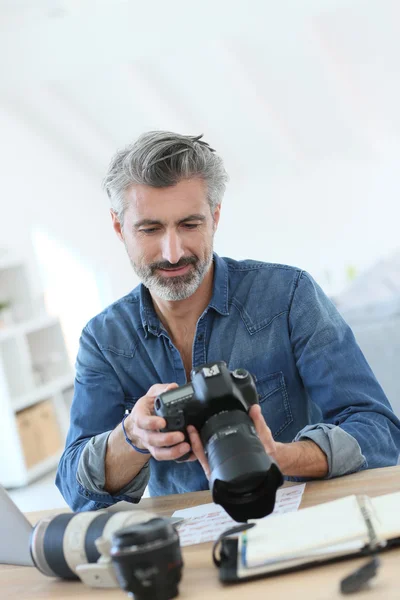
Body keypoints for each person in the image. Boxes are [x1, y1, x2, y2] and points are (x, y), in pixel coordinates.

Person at [56, 131, 400, 511]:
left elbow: (379, 432)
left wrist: (281, 457)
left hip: (299, 517)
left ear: (215, 217)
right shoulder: (105, 339)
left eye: (189, 224)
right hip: (189, 544)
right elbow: (74, 488)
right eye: (150, 229)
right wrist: (133, 436)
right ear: (120, 228)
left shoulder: (288, 295)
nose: (173, 253)